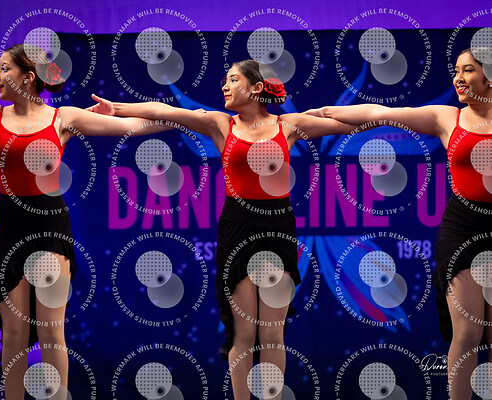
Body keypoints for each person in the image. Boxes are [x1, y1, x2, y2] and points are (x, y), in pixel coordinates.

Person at [89, 59, 358, 400]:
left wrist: (380, 115)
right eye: (225, 80)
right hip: (237, 228)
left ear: (256, 88)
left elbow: (346, 124)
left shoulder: (288, 125)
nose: (225, 87)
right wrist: (117, 108)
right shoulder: (220, 124)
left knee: (272, 334)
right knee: (243, 334)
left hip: (277, 228)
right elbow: (166, 111)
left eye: (232, 80)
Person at [305, 48, 492, 400]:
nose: (458, 78)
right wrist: (325, 113)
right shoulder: (447, 117)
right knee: (468, 334)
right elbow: (382, 114)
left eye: (468, 70)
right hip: (464, 229)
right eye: (456, 70)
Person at [0, 44, 175, 399]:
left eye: (4, 69)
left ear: (27, 77)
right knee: (14, 334)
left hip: (49, 226)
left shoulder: (63, 117)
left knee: (51, 331)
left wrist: (184, 119)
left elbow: (131, 127)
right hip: (8, 225)